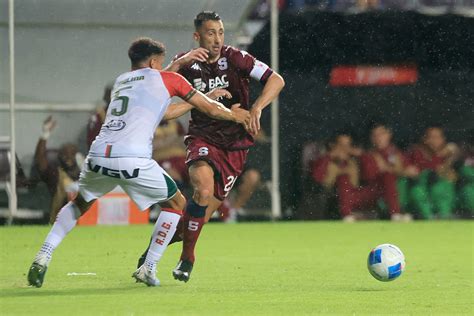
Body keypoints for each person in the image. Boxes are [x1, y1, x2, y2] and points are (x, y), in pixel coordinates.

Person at [27, 37, 251, 288]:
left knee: (80, 203)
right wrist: (235, 115)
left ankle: (43, 255)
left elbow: (162, 109)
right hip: (132, 159)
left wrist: (184, 79)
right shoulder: (169, 79)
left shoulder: (122, 82)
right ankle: (149, 267)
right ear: (155, 61)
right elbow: (209, 108)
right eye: (161, 62)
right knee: (177, 203)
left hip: (99, 156)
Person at [138, 11, 285, 283]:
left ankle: (150, 254)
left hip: (235, 146)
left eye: (220, 32)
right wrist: (187, 77)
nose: (217, 39)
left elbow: (276, 80)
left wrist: (257, 108)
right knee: (202, 189)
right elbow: (157, 100)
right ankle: (187, 259)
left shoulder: (237, 59)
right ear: (197, 36)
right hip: (202, 138)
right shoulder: (186, 64)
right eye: (210, 33)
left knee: (197, 219)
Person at [33, 116, 82, 223]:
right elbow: (40, 160)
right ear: (59, 156)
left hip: (85, 223)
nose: (68, 157)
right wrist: (44, 134)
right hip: (60, 222)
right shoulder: (56, 174)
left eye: (72, 154)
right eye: (65, 154)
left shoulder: (85, 173)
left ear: (78, 156)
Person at [406, 126, 459, 219]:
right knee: (418, 190)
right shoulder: (416, 153)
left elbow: (452, 177)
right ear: (425, 139)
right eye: (432, 137)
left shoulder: (446, 155)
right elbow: (417, 171)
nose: (435, 140)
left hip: (441, 201)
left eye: (438, 137)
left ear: (443, 139)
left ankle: (444, 216)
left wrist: (448, 162)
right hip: (422, 202)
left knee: (444, 183)